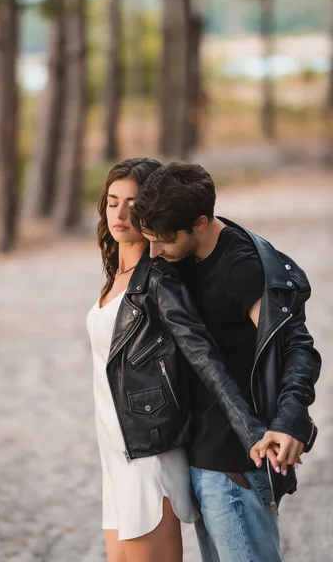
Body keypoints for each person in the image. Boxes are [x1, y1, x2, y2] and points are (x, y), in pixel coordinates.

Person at [86, 158, 295, 562]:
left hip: (149, 453)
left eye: (132, 202)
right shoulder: (115, 276)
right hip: (113, 453)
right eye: (112, 201)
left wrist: (258, 431)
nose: (121, 213)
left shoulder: (160, 278)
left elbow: (206, 358)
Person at [131, 161, 321, 562]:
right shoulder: (183, 256)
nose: (154, 252)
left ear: (199, 223)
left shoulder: (242, 270)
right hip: (203, 459)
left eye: (163, 241)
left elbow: (297, 346)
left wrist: (290, 419)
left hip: (236, 465)